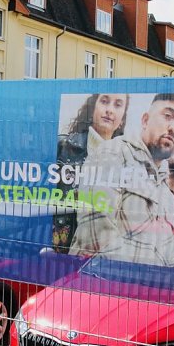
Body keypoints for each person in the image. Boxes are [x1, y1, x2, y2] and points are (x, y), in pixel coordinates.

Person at [69, 93, 174, 267]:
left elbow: (169, 265)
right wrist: (138, 280)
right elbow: (95, 236)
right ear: (145, 120)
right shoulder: (112, 153)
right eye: (168, 116)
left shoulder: (169, 201)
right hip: (95, 281)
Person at [54, 93, 129, 252]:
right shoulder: (63, 147)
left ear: (122, 119)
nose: (110, 110)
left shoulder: (126, 161)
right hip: (62, 249)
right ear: (93, 107)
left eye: (117, 105)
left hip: (103, 254)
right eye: (104, 101)